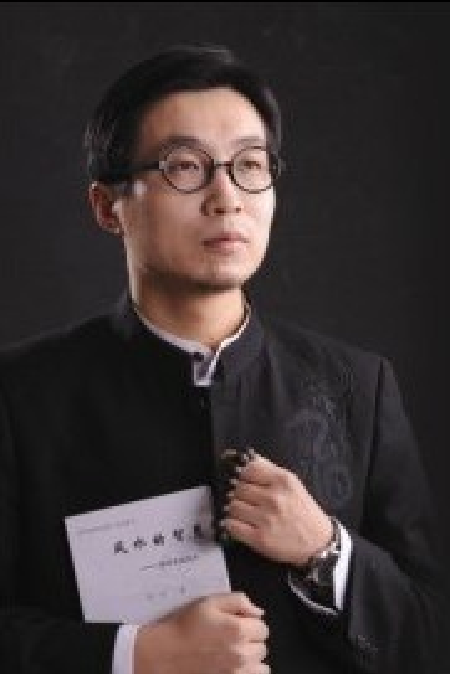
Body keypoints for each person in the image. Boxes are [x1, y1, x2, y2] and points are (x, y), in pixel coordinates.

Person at [0, 44, 442, 674]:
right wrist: (137, 655)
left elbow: (431, 631)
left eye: (249, 165)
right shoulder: (21, 395)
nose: (226, 197)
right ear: (107, 206)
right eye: (185, 166)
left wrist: (326, 551)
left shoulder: (357, 387)